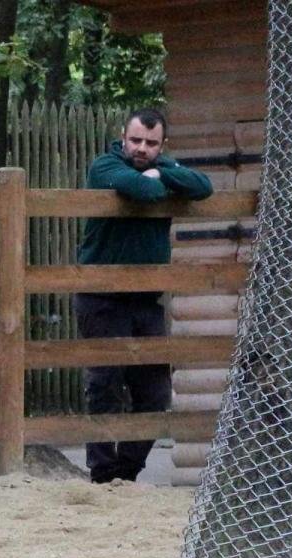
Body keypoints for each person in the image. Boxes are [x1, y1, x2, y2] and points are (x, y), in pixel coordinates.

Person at [75, 108, 213, 484]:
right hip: (100, 296)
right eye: (136, 140)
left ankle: (127, 471)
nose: (141, 148)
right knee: (104, 384)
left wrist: (163, 171)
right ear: (123, 137)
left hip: (145, 300)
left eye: (151, 144)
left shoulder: (162, 166)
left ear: (161, 144)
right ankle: (102, 475)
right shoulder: (104, 166)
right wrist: (158, 177)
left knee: (154, 391)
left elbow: (203, 186)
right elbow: (146, 191)